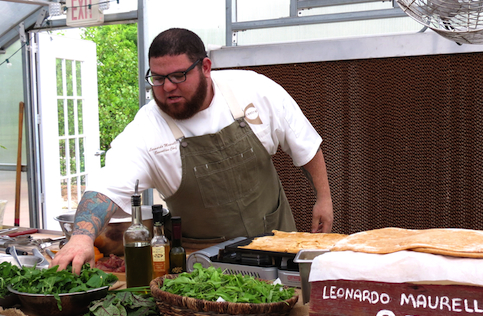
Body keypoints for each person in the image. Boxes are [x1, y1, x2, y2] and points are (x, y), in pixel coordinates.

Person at [52, 28, 333, 274]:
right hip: (204, 264)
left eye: (178, 76)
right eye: (158, 79)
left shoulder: (253, 89)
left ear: (206, 67)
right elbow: (106, 187)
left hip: (278, 246)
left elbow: (304, 143)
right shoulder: (147, 129)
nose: (168, 88)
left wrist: (323, 198)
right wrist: (81, 237)